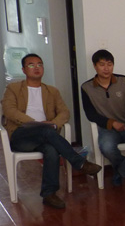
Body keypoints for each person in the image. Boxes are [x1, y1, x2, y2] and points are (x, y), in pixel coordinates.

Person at [1, 53, 102, 208]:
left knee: (51, 149)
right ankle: (79, 163)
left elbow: (64, 112)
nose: (36, 68)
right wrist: (36, 124)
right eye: (31, 65)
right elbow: (9, 111)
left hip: (46, 135)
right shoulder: (13, 89)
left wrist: (54, 124)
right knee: (46, 131)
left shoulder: (52, 91)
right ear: (23, 69)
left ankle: (49, 194)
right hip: (21, 135)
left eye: (40, 64)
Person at [81, 49, 125, 186]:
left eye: (109, 64)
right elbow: (90, 114)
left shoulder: (124, 81)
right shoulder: (86, 87)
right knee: (107, 148)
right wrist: (112, 123)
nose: (106, 68)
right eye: (102, 64)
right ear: (95, 66)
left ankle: (121, 172)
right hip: (107, 128)